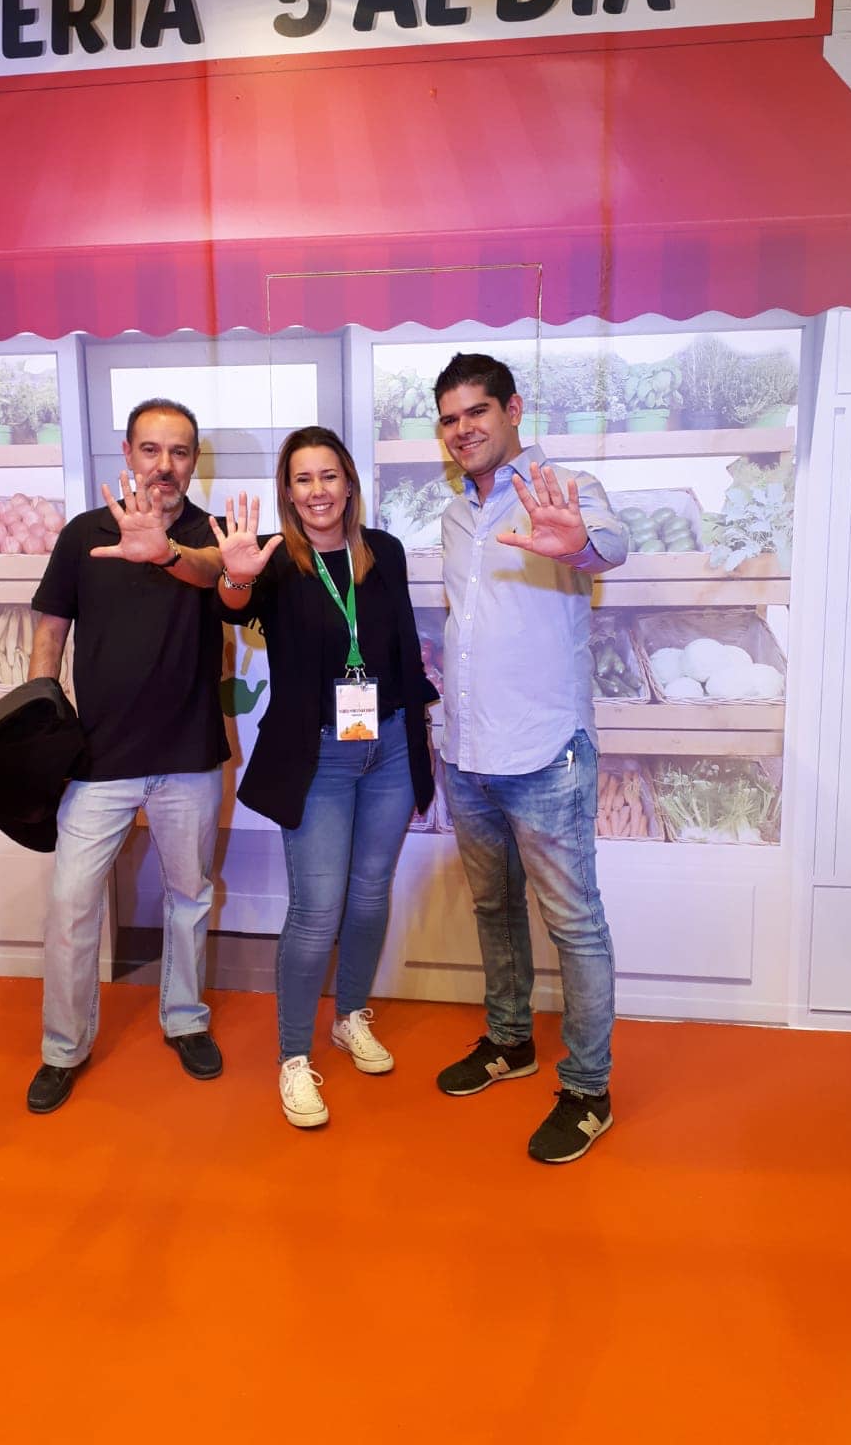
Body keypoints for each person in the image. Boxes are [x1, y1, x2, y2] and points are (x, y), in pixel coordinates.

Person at [432, 353, 626, 1163]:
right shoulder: (454, 515)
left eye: (477, 411)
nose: (463, 429)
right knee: (494, 908)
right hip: (468, 753)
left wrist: (578, 545)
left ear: (512, 410)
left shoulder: (565, 487)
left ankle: (588, 1089)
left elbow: (609, 545)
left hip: (547, 752)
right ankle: (510, 1040)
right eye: (449, 418)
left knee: (574, 924)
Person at [212, 426, 435, 1130]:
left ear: (349, 483)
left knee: (368, 897)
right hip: (318, 757)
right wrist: (237, 575)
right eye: (303, 478)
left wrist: (420, 732)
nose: (318, 491)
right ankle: (293, 1056)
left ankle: (351, 1016)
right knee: (316, 911)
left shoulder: (385, 552)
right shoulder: (276, 561)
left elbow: (401, 645)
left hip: (387, 745)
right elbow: (231, 604)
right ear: (287, 490)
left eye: (329, 475)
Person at [24, 398, 228, 1113]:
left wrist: (166, 551)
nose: (165, 465)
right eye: (151, 449)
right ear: (128, 453)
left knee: (189, 898)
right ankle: (63, 1047)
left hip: (189, 757)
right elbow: (50, 630)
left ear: (193, 460)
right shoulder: (84, 534)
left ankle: (185, 1019)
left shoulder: (213, 535)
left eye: (179, 451)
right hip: (99, 759)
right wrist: (39, 714)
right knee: (70, 905)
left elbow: (217, 574)